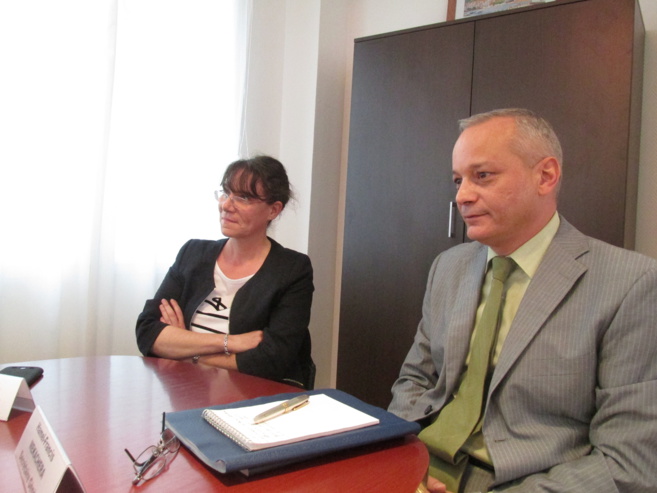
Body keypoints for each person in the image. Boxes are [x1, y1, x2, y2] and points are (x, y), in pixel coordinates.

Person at [389, 109, 657, 492]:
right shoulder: (448, 267)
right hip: (421, 465)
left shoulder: (630, 284)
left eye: (483, 175)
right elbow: (416, 379)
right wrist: (398, 463)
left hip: (525, 482)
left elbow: (628, 462)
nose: (462, 196)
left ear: (545, 176)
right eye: (458, 180)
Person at [136, 155, 315, 388]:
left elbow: (272, 359)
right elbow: (148, 333)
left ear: (273, 210)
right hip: (185, 389)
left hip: (254, 395)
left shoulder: (292, 269)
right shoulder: (193, 253)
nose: (226, 205)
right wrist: (231, 342)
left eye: (243, 197)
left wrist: (186, 350)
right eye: (225, 193)